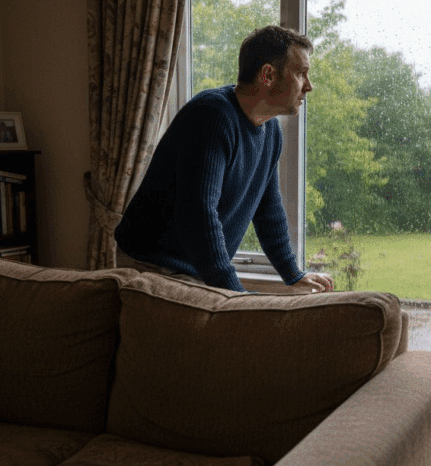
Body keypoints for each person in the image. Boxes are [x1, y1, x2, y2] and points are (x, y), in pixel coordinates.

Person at [114, 25, 334, 294]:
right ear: (267, 75)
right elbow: (198, 214)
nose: (309, 87)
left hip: (194, 270)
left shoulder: (270, 130)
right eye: (301, 74)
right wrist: (235, 295)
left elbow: (268, 209)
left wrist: (292, 273)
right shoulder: (212, 116)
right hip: (153, 267)